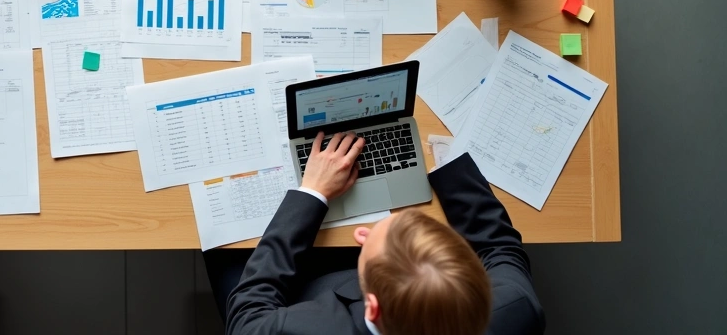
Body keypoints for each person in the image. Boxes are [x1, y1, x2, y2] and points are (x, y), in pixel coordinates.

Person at [205, 131, 544, 335]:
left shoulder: (304, 328)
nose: (361, 235)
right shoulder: (515, 310)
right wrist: (442, 158)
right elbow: (500, 247)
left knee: (225, 253)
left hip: (305, 293)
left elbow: (247, 319)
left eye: (367, 241)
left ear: (373, 311)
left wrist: (312, 193)